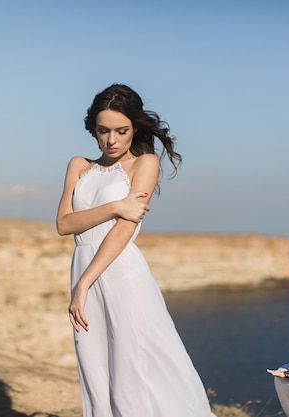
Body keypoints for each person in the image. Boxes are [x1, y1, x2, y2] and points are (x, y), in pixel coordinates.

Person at [56, 84, 215, 416]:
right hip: (85, 270)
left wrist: (83, 284)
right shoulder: (78, 165)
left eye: (121, 130)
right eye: (103, 131)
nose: (111, 139)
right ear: (93, 129)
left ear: (135, 128)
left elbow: (125, 230)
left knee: (136, 371)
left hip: (122, 275)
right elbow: (65, 224)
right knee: (95, 369)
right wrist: (116, 206)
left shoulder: (144, 164)